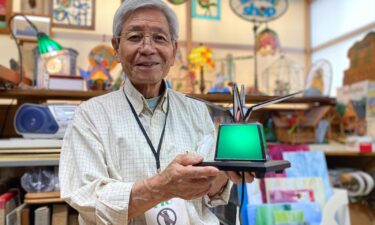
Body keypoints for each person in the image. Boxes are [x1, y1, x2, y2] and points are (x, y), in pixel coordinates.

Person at [59, 0, 254, 224]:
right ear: (116, 47)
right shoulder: (90, 115)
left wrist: (226, 172)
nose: (148, 48)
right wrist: (161, 187)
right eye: (134, 37)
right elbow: (86, 198)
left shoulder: (196, 110)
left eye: (159, 38)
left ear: (173, 51)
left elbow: (208, 194)